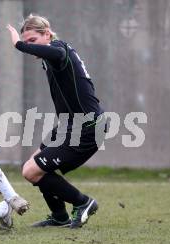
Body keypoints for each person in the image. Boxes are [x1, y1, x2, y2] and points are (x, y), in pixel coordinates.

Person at [6, 14, 106, 228]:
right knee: (34, 166)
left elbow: (55, 52)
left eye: (33, 40)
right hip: (70, 125)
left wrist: (19, 44)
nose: (29, 46)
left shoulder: (59, 51)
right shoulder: (51, 58)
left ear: (48, 34)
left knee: (31, 171)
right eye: (27, 41)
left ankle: (84, 202)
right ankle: (60, 216)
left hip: (87, 127)